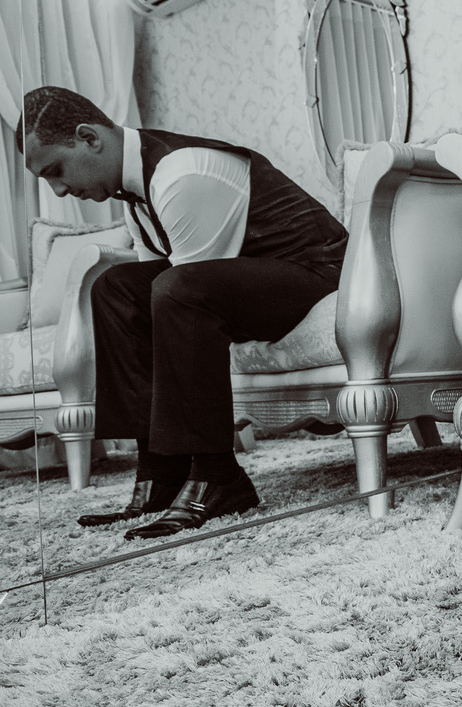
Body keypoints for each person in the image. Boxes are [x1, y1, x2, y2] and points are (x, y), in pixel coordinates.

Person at [18, 87, 348, 541]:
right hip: (251, 277)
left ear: (88, 138)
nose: (58, 189)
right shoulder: (134, 188)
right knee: (115, 288)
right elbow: (151, 292)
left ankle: (218, 476)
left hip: (319, 271)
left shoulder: (180, 173)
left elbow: (187, 290)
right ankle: (161, 473)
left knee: (179, 291)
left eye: (56, 170)